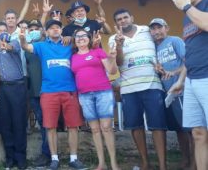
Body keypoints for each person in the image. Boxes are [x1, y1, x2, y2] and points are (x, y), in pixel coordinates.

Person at [19, 20, 87, 170]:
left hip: (70, 90)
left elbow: (84, 43)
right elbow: (25, 47)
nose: (55, 30)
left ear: (61, 29)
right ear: (46, 32)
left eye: (57, 27)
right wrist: (22, 38)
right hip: (49, 91)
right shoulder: (41, 46)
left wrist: (71, 37)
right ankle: (54, 159)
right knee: (50, 126)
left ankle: (74, 158)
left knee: (73, 126)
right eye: (51, 28)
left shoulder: (69, 44)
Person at [108, 9, 167, 170]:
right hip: (128, 88)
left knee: (158, 125)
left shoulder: (147, 30)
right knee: (135, 126)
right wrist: (119, 46)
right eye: (119, 19)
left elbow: (162, 44)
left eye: (125, 17)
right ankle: (145, 163)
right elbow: (118, 63)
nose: (123, 21)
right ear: (116, 23)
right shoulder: (113, 38)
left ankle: (163, 165)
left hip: (153, 84)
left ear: (132, 18)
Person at [171, 0, 208, 170]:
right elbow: (190, 51)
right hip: (193, 80)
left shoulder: (197, 8)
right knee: (198, 132)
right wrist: (181, 80)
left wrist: (185, 6)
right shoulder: (188, 16)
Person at [148, 18, 195, 170]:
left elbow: (189, 61)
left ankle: (196, 163)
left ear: (166, 28)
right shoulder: (155, 48)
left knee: (191, 130)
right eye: (153, 29)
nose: (156, 31)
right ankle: (185, 160)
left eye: (159, 28)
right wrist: (160, 71)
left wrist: (173, 72)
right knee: (179, 129)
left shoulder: (174, 41)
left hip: (182, 91)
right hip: (169, 95)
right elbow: (162, 69)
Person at [71, 29, 120, 170]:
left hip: (103, 92)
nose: (80, 38)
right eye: (77, 36)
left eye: (83, 36)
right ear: (75, 41)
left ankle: (114, 163)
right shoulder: (72, 56)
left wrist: (112, 58)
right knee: (95, 129)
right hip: (84, 95)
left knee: (106, 127)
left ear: (89, 38)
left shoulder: (97, 51)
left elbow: (112, 71)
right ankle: (101, 163)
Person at [0, 22, 27, 169]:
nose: (2, 33)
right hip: (3, 89)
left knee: (19, 123)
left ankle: (21, 158)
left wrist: (6, 45)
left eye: (4, 31)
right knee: (5, 124)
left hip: (18, 87)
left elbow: (13, 48)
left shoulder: (14, 43)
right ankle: (10, 157)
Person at [24, 21, 51, 167]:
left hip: (47, 91)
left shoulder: (46, 45)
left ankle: (48, 154)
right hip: (33, 92)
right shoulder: (27, 48)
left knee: (48, 124)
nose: (34, 31)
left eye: (36, 29)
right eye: (31, 29)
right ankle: (47, 153)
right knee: (42, 123)